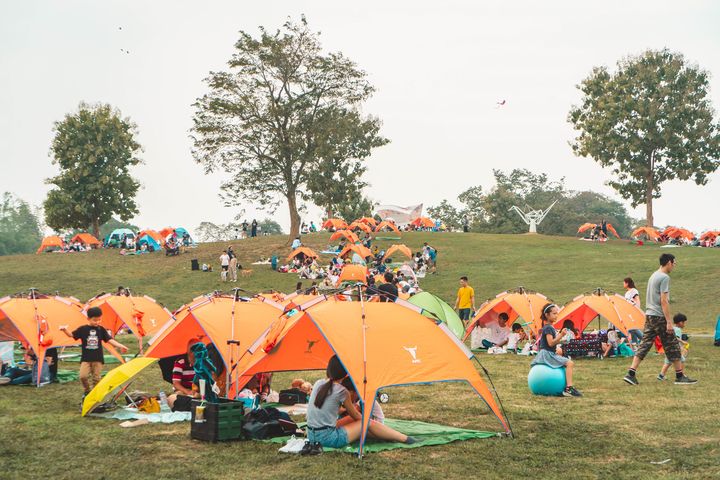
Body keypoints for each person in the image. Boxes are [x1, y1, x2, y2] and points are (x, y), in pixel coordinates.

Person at [306, 355, 414, 449]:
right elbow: (355, 415)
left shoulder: (318, 383)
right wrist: (372, 424)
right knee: (366, 423)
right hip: (328, 439)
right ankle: (405, 439)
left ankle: (392, 436)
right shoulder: (342, 391)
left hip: (311, 436)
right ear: (345, 373)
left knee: (364, 426)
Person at [623, 254, 697, 386]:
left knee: (645, 344)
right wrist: (669, 321)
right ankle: (680, 376)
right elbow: (664, 301)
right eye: (674, 263)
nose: (674, 265)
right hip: (659, 316)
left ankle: (631, 373)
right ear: (669, 262)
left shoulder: (653, 275)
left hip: (650, 315)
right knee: (673, 345)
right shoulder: (664, 277)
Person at [59, 307, 128, 400]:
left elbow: (110, 340)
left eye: (99, 320)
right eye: (95, 320)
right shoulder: (83, 329)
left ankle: (96, 395)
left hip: (98, 359)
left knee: (96, 378)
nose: (97, 322)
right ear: (88, 319)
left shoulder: (101, 330)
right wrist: (64, 330)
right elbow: (71, 335)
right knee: (83, 376)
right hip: (86, 359)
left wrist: (120, 346)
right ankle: (87, 391)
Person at [531, 303, 582, 397]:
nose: (556, 316)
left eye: (557, 313)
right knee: (570, 363)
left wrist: (562, 341)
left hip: (547, 352)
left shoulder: (548, 327)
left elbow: (550, 343)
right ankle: (569, 389)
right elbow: (550, 343)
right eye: (554, 313)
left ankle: (568, 388)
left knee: (563, 357)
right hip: (547, 354)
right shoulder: (548, 328)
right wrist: (561, 335)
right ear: (547, 315)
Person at [658, 313, 690, 381]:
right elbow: (676, 338)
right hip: (675, 349)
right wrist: (683, 342)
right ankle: (682, 375)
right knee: (682, 360)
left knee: (668, 362)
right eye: (683, 322)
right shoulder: (678, 330)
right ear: (680, 322)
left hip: (669, 348)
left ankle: (661, 375)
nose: (684, 324)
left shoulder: (672, 328)